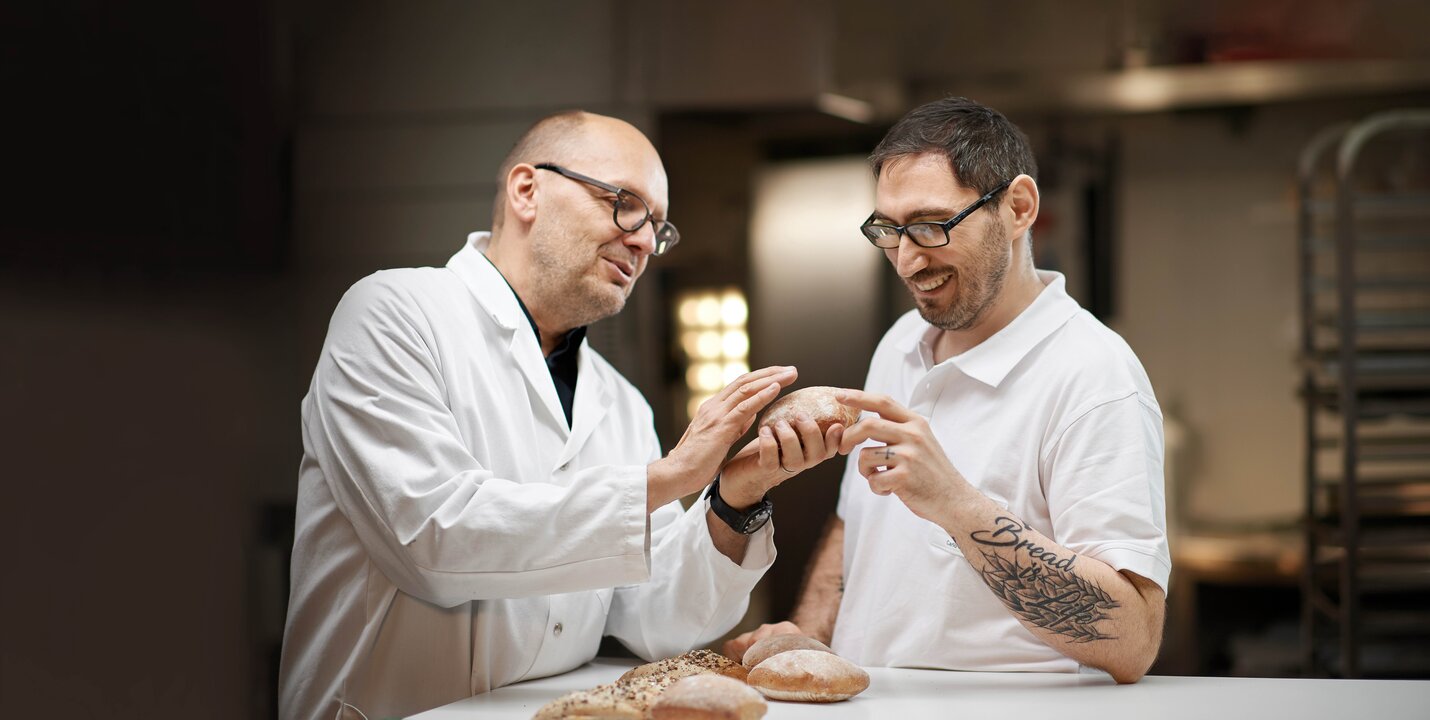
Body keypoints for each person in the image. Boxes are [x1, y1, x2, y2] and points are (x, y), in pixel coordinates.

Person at [279, 110, 846, 720]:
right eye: (625, 204)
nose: (645, 241)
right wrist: (671, 477)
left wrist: (734, 496)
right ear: (528, 191)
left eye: (658, 226)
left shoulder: (620, 400)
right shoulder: (393, 315)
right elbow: (434, 540)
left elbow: (653, 621)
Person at [725, 97, 1169, 683]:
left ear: (1018, 208)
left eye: (932, 226)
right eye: (889, 230)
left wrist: (957, 507)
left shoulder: (1092, 374)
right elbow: (856, 523)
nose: (907, 260)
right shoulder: (903, 340)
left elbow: (1133, 637)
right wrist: (812, 633)